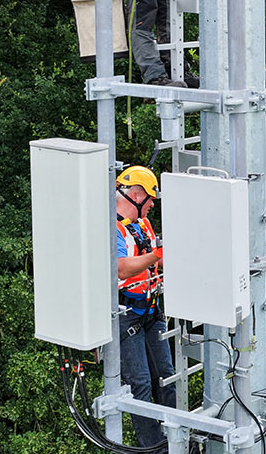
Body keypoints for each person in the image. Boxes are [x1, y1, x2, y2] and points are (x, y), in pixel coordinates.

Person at [114, 165, 175, 446]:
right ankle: (152, 448)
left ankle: (176, 437)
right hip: (128, 316)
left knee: (167, 376)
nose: (152, 204)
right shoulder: (112, 228)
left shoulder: (142, 224)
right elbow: (122, 268)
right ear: (136, 195)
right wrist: (156, 256)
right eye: (150, 198)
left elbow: (155, 258)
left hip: (151, 310)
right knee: (140, 384)